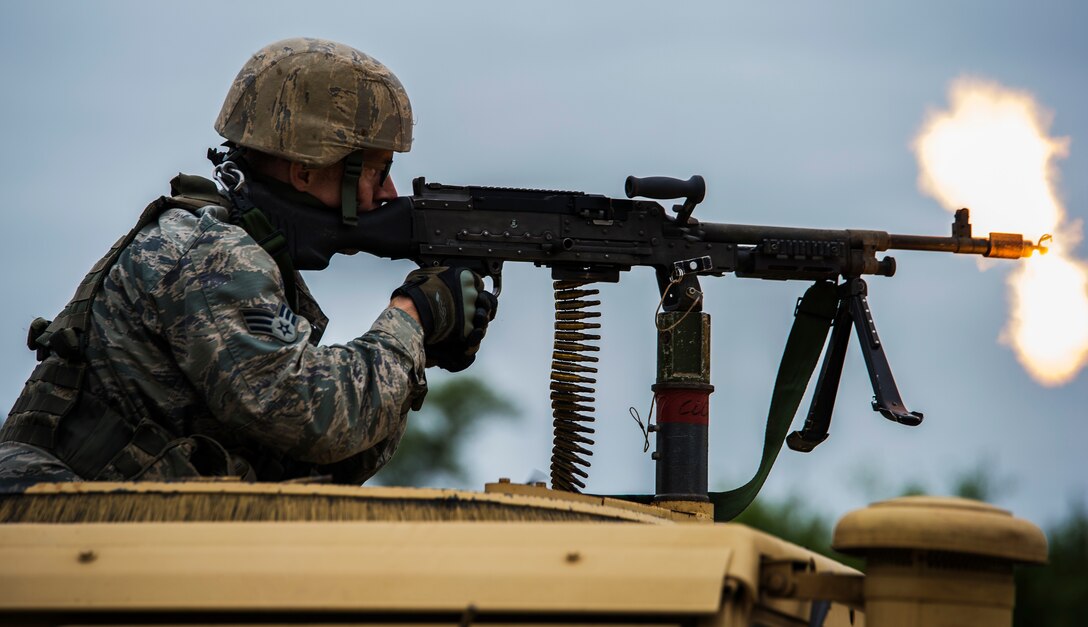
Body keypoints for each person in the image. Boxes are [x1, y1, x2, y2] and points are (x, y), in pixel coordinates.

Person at [0, 37, 496, 484]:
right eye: (377, 171)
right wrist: (411, 318)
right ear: (305, 172)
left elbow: (314, 461)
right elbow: (313, 418)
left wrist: (418, 348)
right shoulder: (213, 254)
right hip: (62, 528)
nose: (386, 193)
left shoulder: (239, 249)